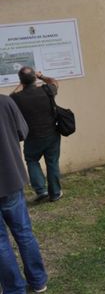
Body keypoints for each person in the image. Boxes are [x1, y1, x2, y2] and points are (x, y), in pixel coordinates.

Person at [2, 88, 48, 293]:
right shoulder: (5, 102)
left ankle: (14, 288)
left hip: (11, 180)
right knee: (23, 233)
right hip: (10, 177)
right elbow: (23, 132)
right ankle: (38, 281)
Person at [10, 69, 63, 203]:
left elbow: (11, 95)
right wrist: (41, 76)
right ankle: (55, 193)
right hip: (51, 133)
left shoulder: (17, 97)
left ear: (21, 80)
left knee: (32, 161)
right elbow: (54, 82)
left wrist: (22, 82)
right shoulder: (47, 90)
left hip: (32, 136)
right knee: (52, 162)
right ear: (35, 78)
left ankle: (41, 191)